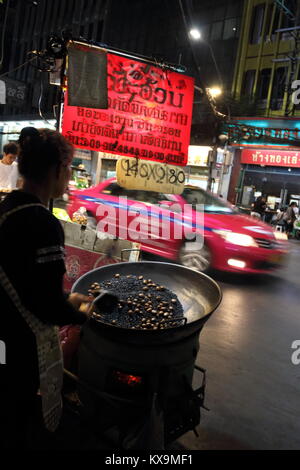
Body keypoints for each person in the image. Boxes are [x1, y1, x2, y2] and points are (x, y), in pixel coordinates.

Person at [0, 127, 94, 449]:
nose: (69, 176)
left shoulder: (6, 208)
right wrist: (81, 312)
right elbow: (47, 305)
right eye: (68, 168)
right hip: (17, 346)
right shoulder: (42, 223)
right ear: (56, 170)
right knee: (15, 417)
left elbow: (25, 280)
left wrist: (68, 297)